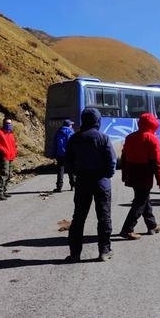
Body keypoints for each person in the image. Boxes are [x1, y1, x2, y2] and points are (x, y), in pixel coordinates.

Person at [64, 108, 117, 262]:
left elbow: (68, 162)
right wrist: (107, 175)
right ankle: (104, 251)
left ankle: (75, 254)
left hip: (82, 181)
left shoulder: (74, 138)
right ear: (97, 121)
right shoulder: (104, 138)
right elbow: (111, 161)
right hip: (101, 182)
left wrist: (75, 175)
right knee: (104, 217)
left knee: (79, 218)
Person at [119, 113, 160, 240]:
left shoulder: (130, 137)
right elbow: (157, 162)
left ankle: (152, 225)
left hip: (132, 172)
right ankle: (127, 229)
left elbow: (124, 157)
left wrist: (124, 174)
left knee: (144, 199)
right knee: (140, 202)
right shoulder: (152, 139)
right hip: (145, 173)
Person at [0, 116, 18, 200]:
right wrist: (3, 150)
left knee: (9, 174)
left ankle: (3, 190)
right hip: (3, 156)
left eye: (9, 123)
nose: (8, 125)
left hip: (10, 156)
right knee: (5, 173)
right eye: (7, 123)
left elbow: (14, 144)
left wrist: (15, 151)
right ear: (3, 123)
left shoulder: (11, 133)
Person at [53, 119, 76, 193]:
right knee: (71, 170)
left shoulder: (58, 132)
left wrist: (53, 154)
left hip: (60, 154)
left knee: (60, 171)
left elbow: (54, 144)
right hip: (69, 154)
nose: (72, 125)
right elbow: (73, 144)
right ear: (69, 125)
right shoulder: (71, 132)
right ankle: (73, 185)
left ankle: (59, 187)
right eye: (71, 124)